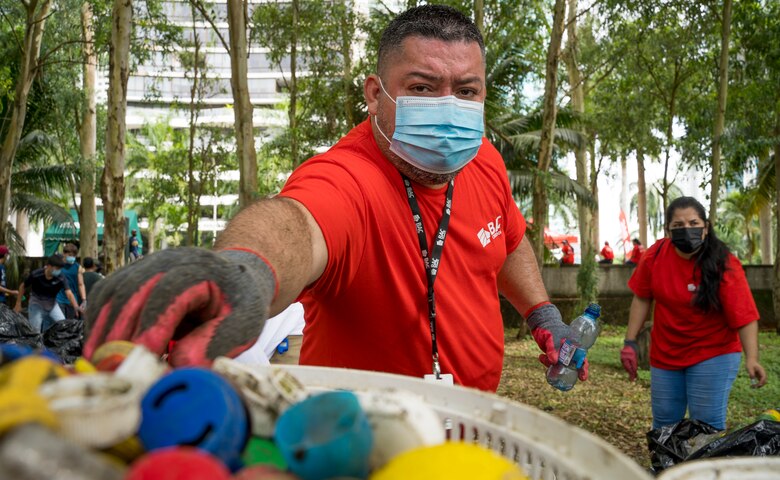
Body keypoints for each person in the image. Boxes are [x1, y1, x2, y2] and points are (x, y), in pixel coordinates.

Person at [84, 5, 586, 392]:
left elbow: (506, 239)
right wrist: (245, 271)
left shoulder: (483, 159)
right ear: (375, 94)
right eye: (422, 87)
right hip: (357, 440)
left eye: (466, 91)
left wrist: (542, 317)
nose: (448, 108)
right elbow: (297, 224)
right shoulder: (348, 177)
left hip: (476, 424)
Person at [620, 196, 767, 431]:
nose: (687, 230)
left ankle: (704, 458)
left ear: (706, 228)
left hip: (713, 352)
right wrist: (630, 342)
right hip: (666, 353)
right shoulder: (655, 256)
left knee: (705, 426)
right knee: (665, 425)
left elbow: (745, 316)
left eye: (693, 223)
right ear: (668, 230)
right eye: (678, 225)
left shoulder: (724, 263)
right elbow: (642, 297)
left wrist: (752, 358)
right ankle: (669, 459)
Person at [15, 254, 80, 333]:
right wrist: (18, 303)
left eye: (60, 269)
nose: (58, 271)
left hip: (52, 305)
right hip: (36, 304)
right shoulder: (36, 274)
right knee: (35, 331)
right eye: (57, 268)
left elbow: (69, 293)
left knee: (62, 325)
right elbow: (22, 286)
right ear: (49, 266)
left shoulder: (61, 277)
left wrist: (76, 307)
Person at [56, 243, 87, 319]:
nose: (72, 257)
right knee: (60, 322)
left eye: (74, 256)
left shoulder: (78, 267)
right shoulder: (58, 265)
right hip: (59, 298)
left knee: (71, 322)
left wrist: (84, 299)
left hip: (72, 300)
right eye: (70, 255)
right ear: (64, 254)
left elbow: (81, 284)